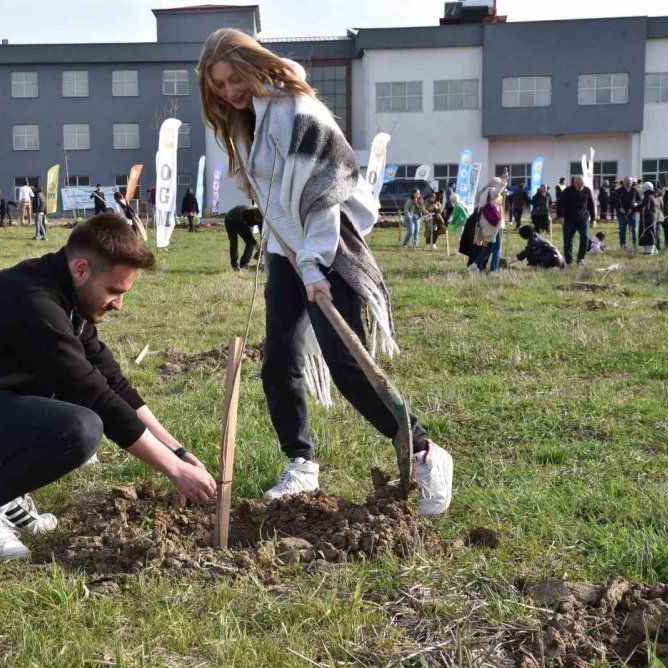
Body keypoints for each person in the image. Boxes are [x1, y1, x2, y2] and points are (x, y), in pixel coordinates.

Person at [197, 28, 452, 514]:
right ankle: (301, 464)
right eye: (219, 87)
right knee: (278, 361)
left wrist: (314, 265)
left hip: (327, 247)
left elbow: (324, 194)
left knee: (347, 365)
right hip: (284, 252)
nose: (229, 92)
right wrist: (289, 254)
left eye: (234, 79)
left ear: (254, 65)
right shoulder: (247, 121)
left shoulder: (299, 113)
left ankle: (423, 450)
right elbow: (275, 199)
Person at [0, 214, 216, 559]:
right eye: (114, 291)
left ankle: (7, 494)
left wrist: (178, 453)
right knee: (80, 429)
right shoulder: (36, 304)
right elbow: (98, 399)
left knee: (68, 403)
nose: (118, 305)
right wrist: (173, 471)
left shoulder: (66, 295)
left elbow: (112, 381)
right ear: (81, 270)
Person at [467, 177, 507, 274]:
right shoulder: (492, 191)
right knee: (497, 248)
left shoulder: (484, 193)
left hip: (486, 224)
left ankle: (473, 266)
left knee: (488, 248)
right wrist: (504, 181)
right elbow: (498, 191)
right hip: (492, 224)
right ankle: (493, 271)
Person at [557, 175, 596, 265]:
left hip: (583, 218)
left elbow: (591, 205)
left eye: (581, 185)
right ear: (574, 183)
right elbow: (560, 204)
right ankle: (569, 261)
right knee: (568, 240)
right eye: (578, 185)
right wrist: (560, 216)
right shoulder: (567, 191)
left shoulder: (587, 190)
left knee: (585, 237)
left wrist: (593, 219)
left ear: (584, 183)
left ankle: (581, 258)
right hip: (569, 219)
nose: (580, 187)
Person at [224, 204, 263, 270]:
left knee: (251, 243)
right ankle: (235, 265)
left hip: (243, 222)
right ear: (254, 216)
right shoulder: (246, 214)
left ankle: (243, 264)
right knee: (234, 242)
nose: (257, 222)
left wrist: (262, 247)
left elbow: (263, 233)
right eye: (257, 220)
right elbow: (246, 234)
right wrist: (256, 244)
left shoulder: (261, 216)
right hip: (231, 221)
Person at [615, 176, 641, 250]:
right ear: (624, 181)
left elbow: (640, 200)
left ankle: (634, 246)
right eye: (627, 181)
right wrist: (619, 208)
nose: (629, 182)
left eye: (630, 181)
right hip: (622, 214)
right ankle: (623, 246)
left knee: (634, 230)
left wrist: (636, 204)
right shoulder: (618, 191)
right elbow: (614, 201)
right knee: (622, 230)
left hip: (633, 213)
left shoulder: (635, 190)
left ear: (632, 182)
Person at [638, 182, 660, 255]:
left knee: (648, 234)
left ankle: (649, 252)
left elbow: (645, 208)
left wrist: (642, 213)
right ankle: (654, 250)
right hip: (652, 219)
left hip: (648, 220)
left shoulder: (647, 196)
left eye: (643, 188)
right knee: (651, 233)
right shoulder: (652, 196)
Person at [661, 186, 668, 252]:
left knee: (667, 233)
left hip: (666, 216)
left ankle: (667, 247)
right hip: (659, 217)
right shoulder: (657, 196)